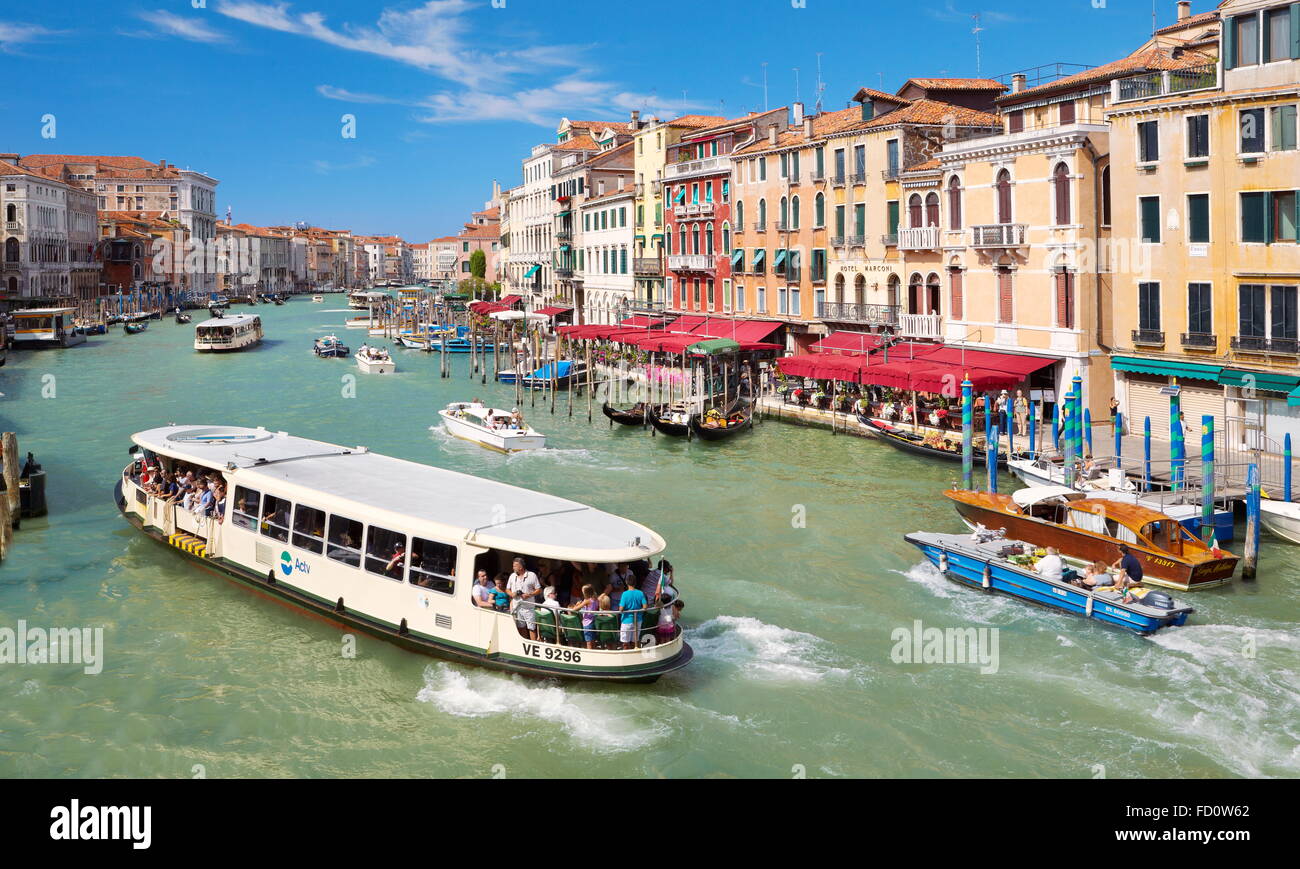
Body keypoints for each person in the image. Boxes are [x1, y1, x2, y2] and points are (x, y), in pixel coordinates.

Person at [617, 574, 647, 650]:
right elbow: (645, 607)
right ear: (635, 583)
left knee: (625, 643)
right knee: (635, 641)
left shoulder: (624, 594)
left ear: (626, 583)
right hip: (638, 620)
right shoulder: (641, 593)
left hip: (626, 621)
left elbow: (621, 609)